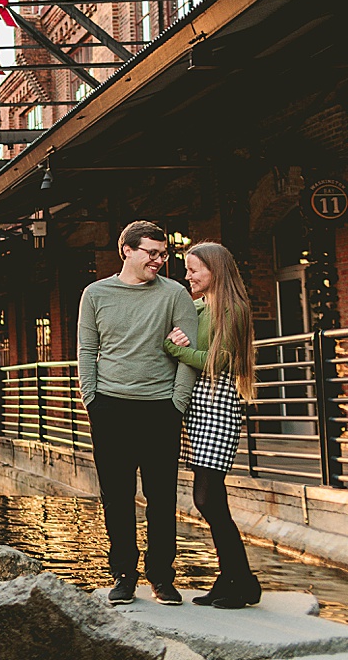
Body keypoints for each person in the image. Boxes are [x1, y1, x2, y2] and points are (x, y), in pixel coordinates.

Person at [79, 220, 199, 607]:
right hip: (111, 407)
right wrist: (91, 399)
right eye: (152, 253)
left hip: (160, 408)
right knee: (116, 496)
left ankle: (162, 577)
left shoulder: (175, 294)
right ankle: (124, 575)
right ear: (126, 250)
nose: (160, 260)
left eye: (164, 254)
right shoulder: (95, 294)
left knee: (161, 497)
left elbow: (190, 351)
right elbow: (86, 350)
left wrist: (177, 402)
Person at [164, 241, 262, 609]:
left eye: (194, 269)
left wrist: (172, 347)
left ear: (214, 270)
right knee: (210, 499)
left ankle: (242, 580)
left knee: (207, 498)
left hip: (218, 405)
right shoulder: (199, 307)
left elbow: (217, 361)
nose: (187, 275)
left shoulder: (232, 308)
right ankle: (233, 578)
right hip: (199, 407)